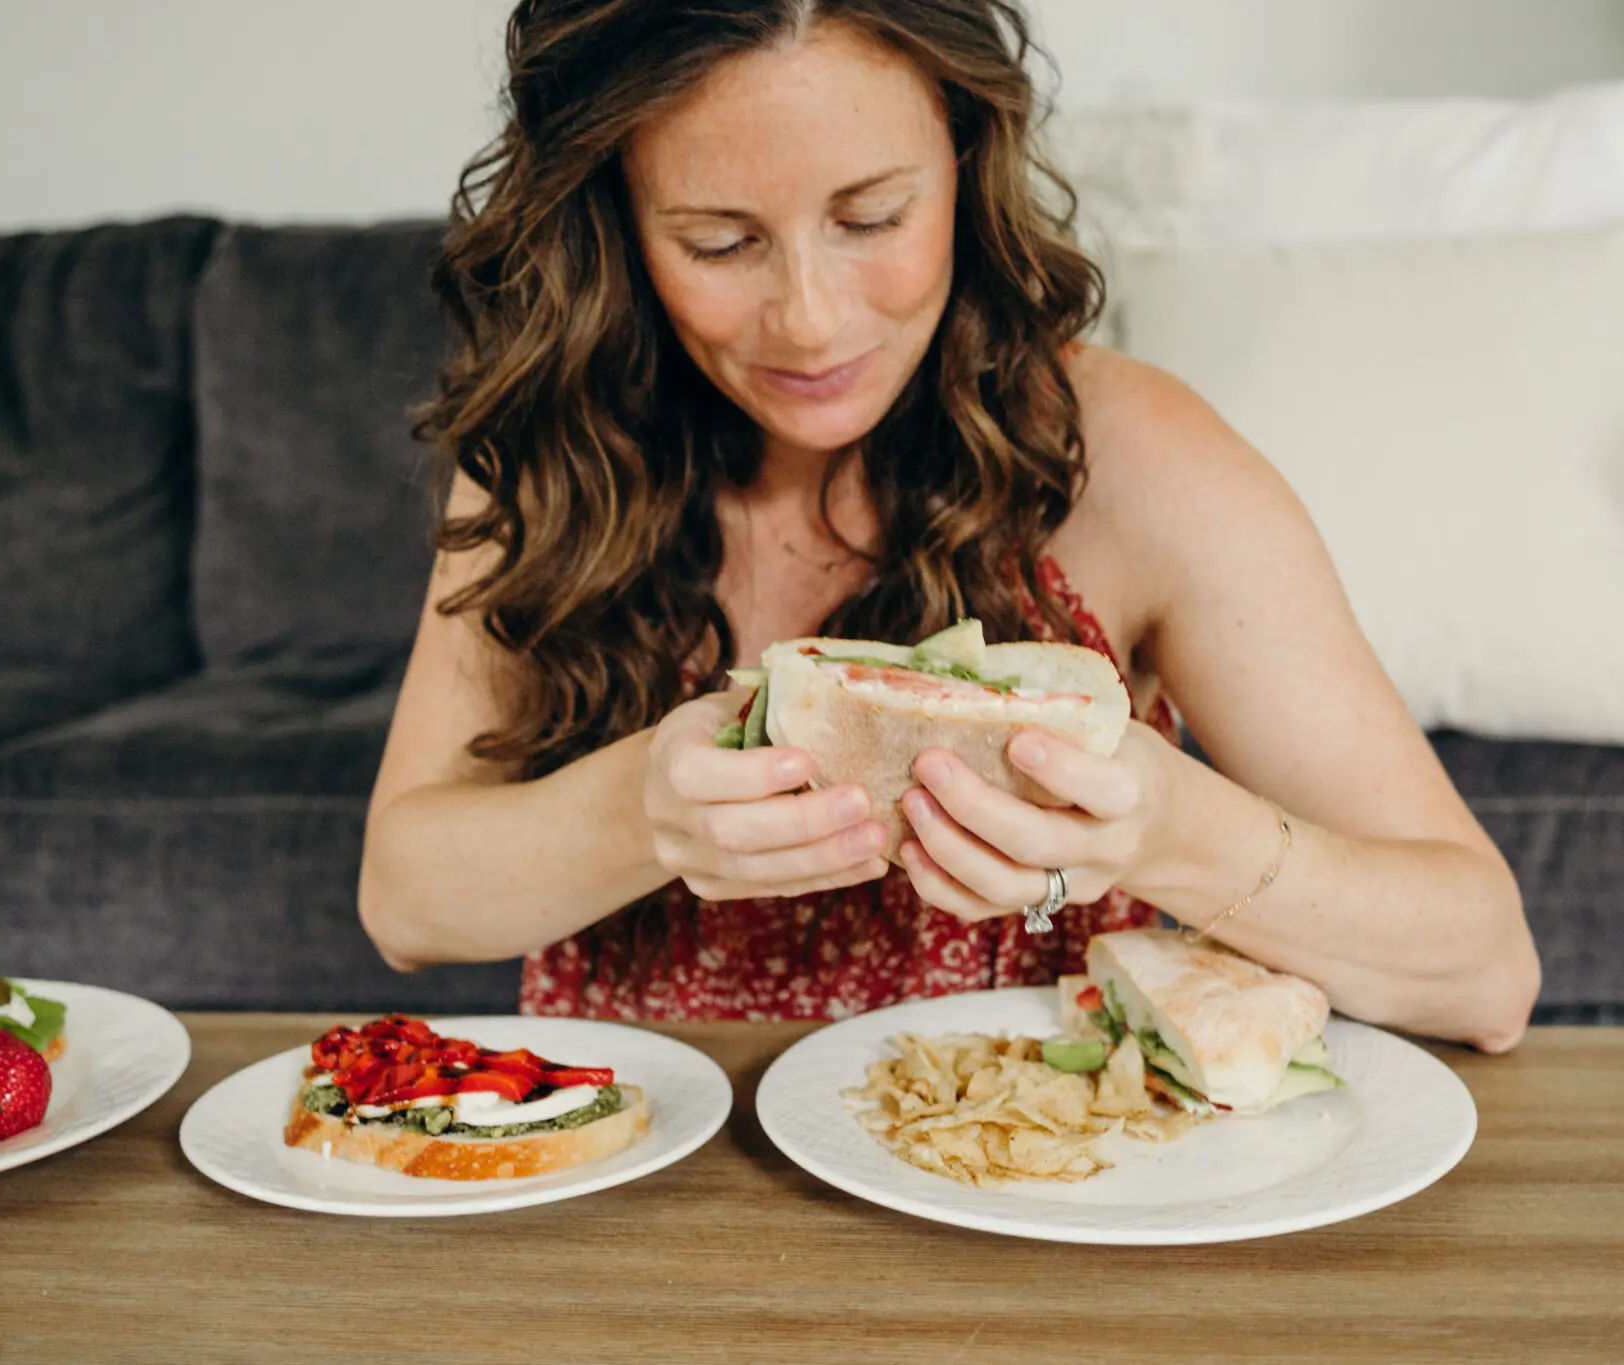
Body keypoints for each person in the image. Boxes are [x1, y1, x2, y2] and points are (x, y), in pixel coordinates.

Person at [357, 0, 1539, 1051]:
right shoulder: (549, 454)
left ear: (966, 161)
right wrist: (640, 813)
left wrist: (1168, 830)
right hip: (650, 1207)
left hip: (1029, 1200)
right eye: (718, 242)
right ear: (611, 220)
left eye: (870, 218)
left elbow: (1485, 974)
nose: (811, 324)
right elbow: (404, 903)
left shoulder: (1130, 458)